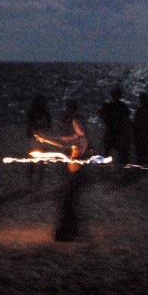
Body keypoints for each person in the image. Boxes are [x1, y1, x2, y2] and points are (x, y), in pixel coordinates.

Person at [35, 102, 89, 242]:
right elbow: (61, 141)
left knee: (67, 203)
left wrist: (46, 139)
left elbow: (64, 143)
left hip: (76, 176)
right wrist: (45, 138)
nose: (78, 127)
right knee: (68, 203)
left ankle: (67, 233)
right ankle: (71, 231)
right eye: (77, 125)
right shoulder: (78, 138)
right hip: (74, 175)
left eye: (79, 125)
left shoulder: (81, 140)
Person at [98, 87, 132, 164]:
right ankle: (121, 169)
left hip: (115, 131)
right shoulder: (122, 106)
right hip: (117, 132)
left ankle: (108, 168)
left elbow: (101, 114)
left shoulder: (111, 106)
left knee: (109, 150)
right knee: (119, 152)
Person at [26, 94, 52, 183]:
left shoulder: (43, 113)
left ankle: (38, 178)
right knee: (34, 158)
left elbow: (48, 125)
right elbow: (30, 125)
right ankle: (31, 178)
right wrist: (35, 133)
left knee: (40, 159)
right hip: (35, 138)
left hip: (42, 138)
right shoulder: (36, 112)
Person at [132, 92, 148, 165]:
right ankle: (142, 165)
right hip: (142, 132)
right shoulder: (145, 109)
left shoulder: (142, 109)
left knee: (142, 149)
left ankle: (142, 165)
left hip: (142, 132)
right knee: (142, 149)